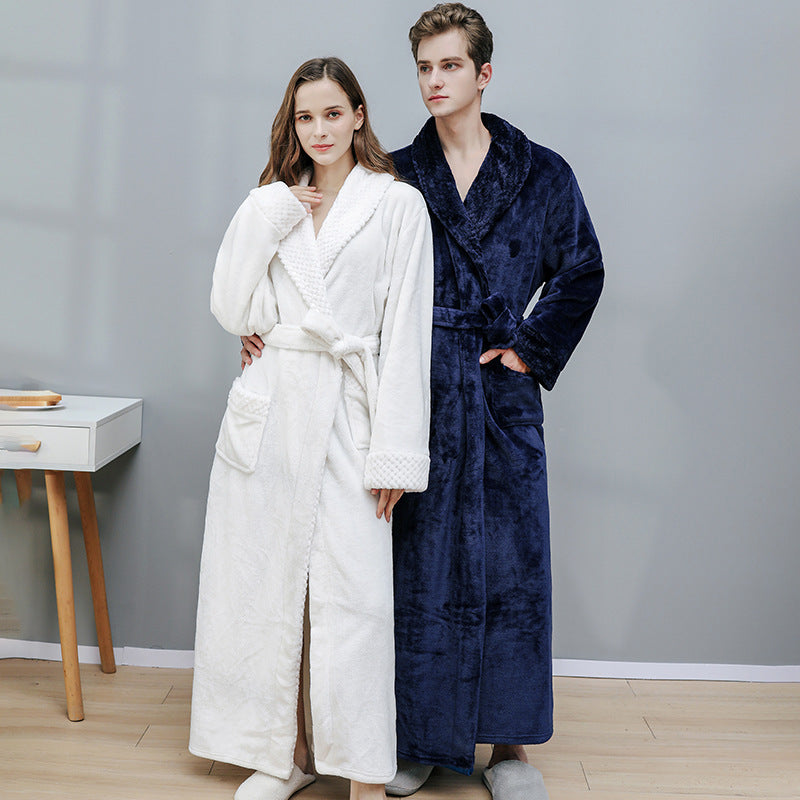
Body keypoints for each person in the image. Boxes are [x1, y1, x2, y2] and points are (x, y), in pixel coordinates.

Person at [242, 5, 604, 799]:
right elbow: (330, 266)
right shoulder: (395, 177)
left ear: (483, 73)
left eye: (450, 66)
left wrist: (529, 348)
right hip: (411, 387)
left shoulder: (543, 173)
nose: (435, 81)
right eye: (424, 68)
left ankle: (508, 749)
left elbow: (582, 267)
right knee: (413, 568)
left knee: (514, 565)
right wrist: (266, 323)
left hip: (500, 395)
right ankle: (417, 741)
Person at [191, 57, 434, 800]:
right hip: (270, 409)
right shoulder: (273, 204)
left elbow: (406, 336)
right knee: (265, 587)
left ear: (359, 116)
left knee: (355, 599)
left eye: (333, 113)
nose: (320, 130)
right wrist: (266, 214)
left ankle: (362, 773)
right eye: (305, 117)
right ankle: (283, 755)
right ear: (291, 124)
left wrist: (395, 454)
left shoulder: (397, 204)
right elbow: (232, 308)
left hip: (350, 410)